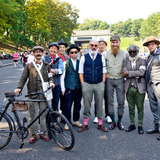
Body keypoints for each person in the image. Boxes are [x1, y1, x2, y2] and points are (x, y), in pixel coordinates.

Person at [14, 46, 55, 144]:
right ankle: (33, 134)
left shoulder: (46, 65)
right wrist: (19, 88)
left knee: (43, 114)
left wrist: (51, 82)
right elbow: (23, 78)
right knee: (32, 114)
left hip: (44, 94)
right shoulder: (29, 65)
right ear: (33, 53)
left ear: (43, 54)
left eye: (40, 52)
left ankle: (42, 133)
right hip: (32, 94)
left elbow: (50, 77)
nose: (38, 53)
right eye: (36, 52)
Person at [78, 40, 108, 132]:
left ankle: (100, 123)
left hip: (99, 83)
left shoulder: (101, 57)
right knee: (86, 104)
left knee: (99, 103)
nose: (94, 47)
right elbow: (80, 71)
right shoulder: (84, 57)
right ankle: (85, 124)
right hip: (87, 83)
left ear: (98, 46)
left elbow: (104, 71)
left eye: (95, 45)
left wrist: (103, 83)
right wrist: (83, 83)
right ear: (89, 46)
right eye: (92, 45)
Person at [122, 44, 146, 134]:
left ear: (137, 51)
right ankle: (132, 124)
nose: (132, 53)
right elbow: (124, 72)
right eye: (130, 51)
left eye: (134, 51)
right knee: (131, 108)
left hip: (139, 87)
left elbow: (142, 72)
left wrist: (129, 72)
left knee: (140, 107)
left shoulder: (142, 61)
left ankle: (140, 125)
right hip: (128, 87)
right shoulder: (125, 61)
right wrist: (133, 73)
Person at [105, 35, 128, 130]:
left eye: (116, 42)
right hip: (109, 79)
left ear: (119, 42)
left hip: (120, 79)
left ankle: (120, 120)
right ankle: (113, 121)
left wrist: (125, 72)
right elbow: (103, 65)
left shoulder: (125, 53)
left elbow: (127, 65)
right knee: (109, 101)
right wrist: (105, 73)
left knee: (121, 101)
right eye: (113, 42)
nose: (115, 44)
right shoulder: (105, 54)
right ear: (110, 43)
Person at [61, 44, 82, 130]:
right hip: (68, 87)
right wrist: (63, 88)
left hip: (78, 87)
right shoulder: (65, 63)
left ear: (77, 53)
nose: (74, 54)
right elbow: (62, 77)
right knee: (67, 106)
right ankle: (67, 122)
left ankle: (76, 120)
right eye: (72, 52)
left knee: (78, 105)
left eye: (75, 52)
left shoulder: (80, 62)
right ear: (69, 53)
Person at [143, 37, 160, 140]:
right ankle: (157, 126)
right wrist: (147, 84)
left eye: (152, 44)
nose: (150, 46)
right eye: (149, 45)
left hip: (159, 83)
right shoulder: (149, 56)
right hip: (150, 84)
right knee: (153, 107)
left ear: (157, 44)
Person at [93, 38, 112, 124]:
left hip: (107, 79)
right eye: (99, 44)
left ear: (105, 46)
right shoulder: (94, 55)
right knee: (97, 98)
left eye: (102, 44)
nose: (101, 46)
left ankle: (108, 115)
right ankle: (97, 115)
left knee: (107, 97)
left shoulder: (109, 54)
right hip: (97, 79)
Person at [44, 42, 64, 111]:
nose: (53, 50)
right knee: (46, 103)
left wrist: (51, 70)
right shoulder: (44, 58)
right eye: (52, 48)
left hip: (56, 84)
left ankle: (54, 120)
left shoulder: (59, 60)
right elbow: (42, 70)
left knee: (55, 103)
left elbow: (61, 70)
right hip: (46, 84)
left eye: (55, 49)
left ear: (57, 50)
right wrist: (56, 71)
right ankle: (47, 120)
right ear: (49, 49)